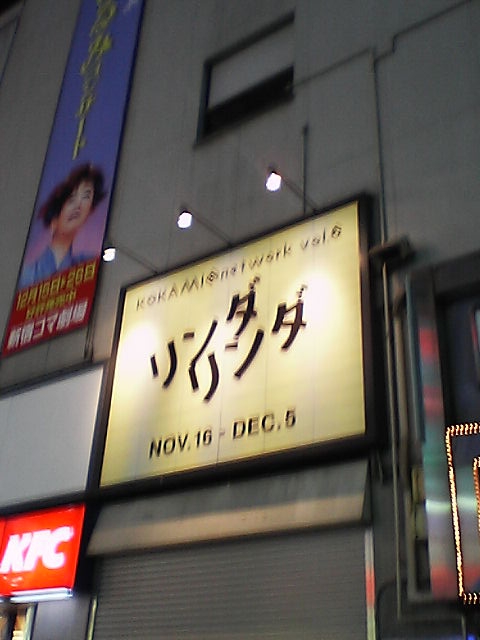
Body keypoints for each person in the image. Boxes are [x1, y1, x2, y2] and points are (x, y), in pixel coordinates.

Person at [18, 164, 106, 288]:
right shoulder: (26, 277)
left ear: (90, 210)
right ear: (53, 220)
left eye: (86, 196)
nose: (78, 205)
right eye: (71, 199)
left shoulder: (88, 264)